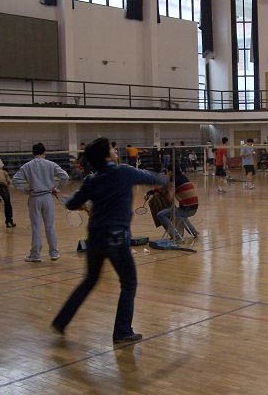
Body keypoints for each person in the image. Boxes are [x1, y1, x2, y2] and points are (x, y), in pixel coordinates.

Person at [52, 137, 166, 344]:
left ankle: (61, 320)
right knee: (129, 283)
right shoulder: (124, 172)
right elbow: (153, 178)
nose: (116, 152)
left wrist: (66, 198)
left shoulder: (91, 180)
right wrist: (166, 179)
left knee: (90, 280)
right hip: (116, 238)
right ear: (106, 156)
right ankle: (122, 331)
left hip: (95, 237)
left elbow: (72, 204)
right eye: (113, 149)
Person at [12, 143, 69, 262]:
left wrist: (25, 190)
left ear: (32, 153)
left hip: (34, 198)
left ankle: (35, 255)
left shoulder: (27, 166)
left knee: (36, 227)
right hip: (48, 197)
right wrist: (57, 188)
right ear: (44, 152)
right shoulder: (51, 164)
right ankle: (54, 253)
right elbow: (65, 176)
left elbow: (15, 180)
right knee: (50, 226)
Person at [148, 164, 198, 242]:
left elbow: (166, 192)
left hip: (187, 209)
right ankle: (194, 232)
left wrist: (150, 193)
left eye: (167, 172)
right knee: (179, 213)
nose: (167, 174)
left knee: (161, 215)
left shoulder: (173, 179)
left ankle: (176, 237)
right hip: (194, 208)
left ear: (171, 172)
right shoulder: (183, 177)